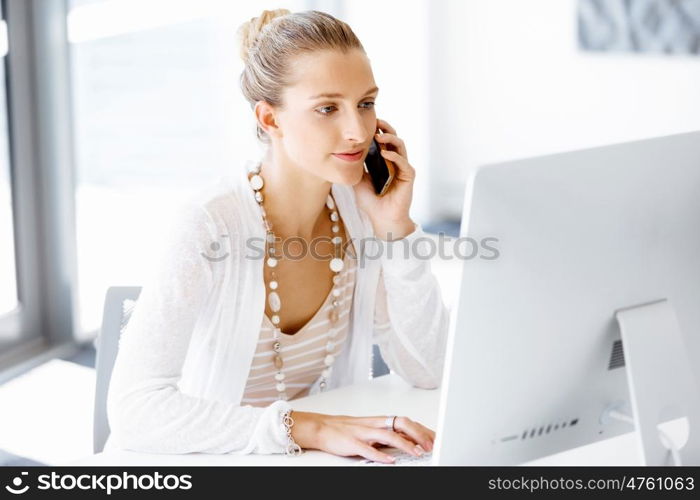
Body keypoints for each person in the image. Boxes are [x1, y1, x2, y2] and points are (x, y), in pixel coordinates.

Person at [105, 9, 449, 464]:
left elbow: (428, 369)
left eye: (365, 103)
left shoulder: (361, 211)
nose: (357, 130)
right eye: (327, 108)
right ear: (270, 119)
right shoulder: (209, 224)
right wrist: (307, 428)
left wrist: (396, 233)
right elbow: (134, 412)